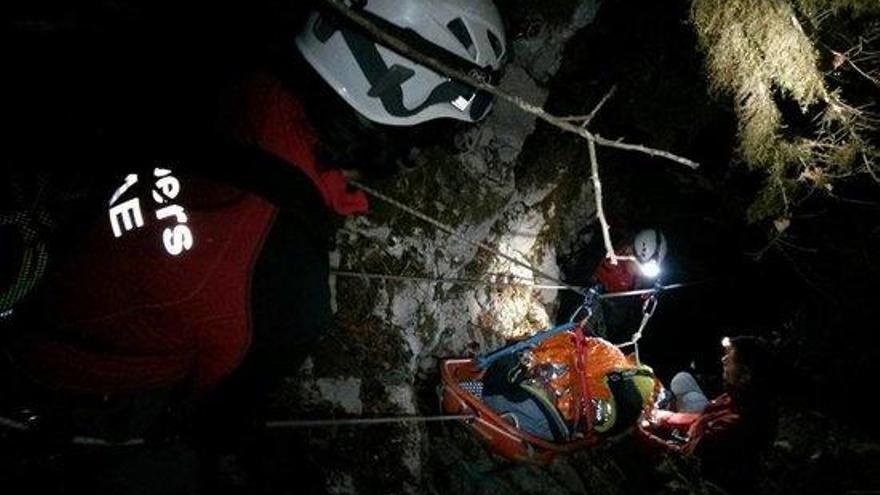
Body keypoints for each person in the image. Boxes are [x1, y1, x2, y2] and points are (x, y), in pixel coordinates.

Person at [0, 1, 507, 493]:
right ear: (408, 126)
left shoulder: (219, 63)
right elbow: (214, 419)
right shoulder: (285, 291)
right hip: (59, 390)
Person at [639, 335, 778, 493]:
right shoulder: (742, 396)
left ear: (746, 375)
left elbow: (681, 460)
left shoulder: (734, 426)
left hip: (705, 475)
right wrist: (666, 417)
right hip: (701, 438)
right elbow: (705, 418)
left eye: (730, 359)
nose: (723, 360)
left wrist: (639, 434)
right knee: (681, 379)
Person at [481, 330, 660, 443]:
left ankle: (471, 389)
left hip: (533, 405)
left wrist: (529, 345)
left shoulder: (607, 352)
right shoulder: (627, 413)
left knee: (506, 362)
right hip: (556, 432)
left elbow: (553, 342)